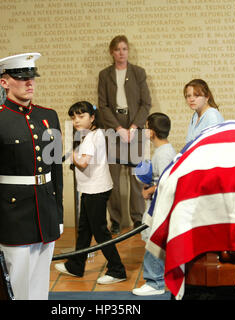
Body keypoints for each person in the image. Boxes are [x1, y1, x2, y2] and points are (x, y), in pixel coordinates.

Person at [0, 53, 63, 300]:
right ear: (4, 82)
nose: (29, 83)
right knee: (17, 283)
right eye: (21, 78)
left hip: (45, 209)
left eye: (31, 77)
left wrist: (58, 211)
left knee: (40, 283)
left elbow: (55, 166)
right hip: (12, 214)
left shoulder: (48, 116)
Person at [55, 101, 127, 284]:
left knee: (100, 231)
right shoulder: (92, 135)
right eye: (73, 117)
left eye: (81, 116)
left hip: (96, 190)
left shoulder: (91, 137)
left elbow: (83, 163)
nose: (76, 120)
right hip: (91, 188)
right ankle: (76, 266)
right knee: (84, 230)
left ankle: (117, 270)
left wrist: (71, 154)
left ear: (92, 117)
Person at [98, 35, 151, 234]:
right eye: (118, 49)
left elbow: (146, 103)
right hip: (113, 128)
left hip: (134, 127)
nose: (121, 53)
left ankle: (137, 219)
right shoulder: (105, 75)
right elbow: (102, 105)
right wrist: (118, 129)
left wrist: (134, 126)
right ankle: (116, 220)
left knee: (136, 177)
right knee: (113, 178)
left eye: (124, 49)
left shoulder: (138, 73)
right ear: (112, 52)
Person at [132, 113, 176, 296]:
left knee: (153, 242)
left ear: (151, 132)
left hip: (159, 206)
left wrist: (149, 191)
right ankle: (157, 279)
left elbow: (166, 183)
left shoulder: (164, 153)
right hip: (155, 204)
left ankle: (155, 282)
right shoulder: (162, 151)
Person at [184, 79, 224, 143]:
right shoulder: (195, 116)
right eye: (188, 96)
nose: (191, 99)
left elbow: (215, 145)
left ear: (207, 97)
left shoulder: (212, 115)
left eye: (196, 95)